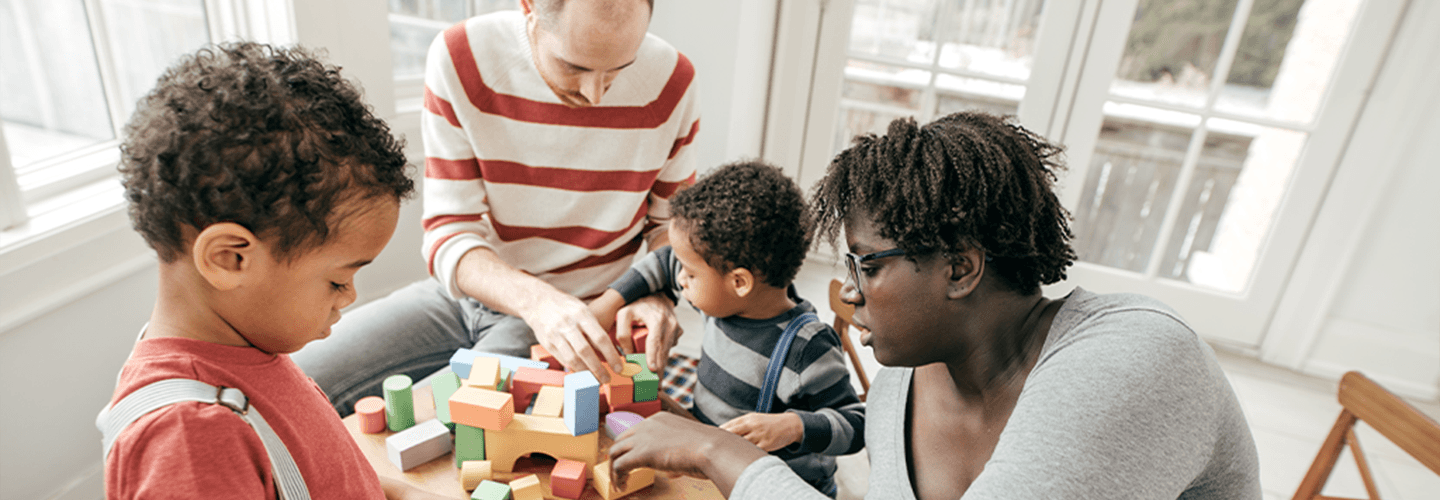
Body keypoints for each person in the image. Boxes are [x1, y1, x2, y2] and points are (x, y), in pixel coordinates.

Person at [608, 112, 1262, 499]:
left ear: (960, 267)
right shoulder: (899, 391)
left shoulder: (1132, 360)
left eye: (869, 264)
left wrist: (721, 455)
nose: (852, 294)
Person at [292, 0, 702, 416]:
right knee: (292, 386)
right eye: (573, 68)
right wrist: (541, 303)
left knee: (428, 431)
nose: (594, 94)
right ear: (529, 8)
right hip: (469, 296)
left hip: (587, 318)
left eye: (620, 68)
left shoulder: (673, 80)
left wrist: (656, 291)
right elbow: (449, 231)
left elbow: (669, 229)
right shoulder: (462, 58)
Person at [100, 42, 447, 499]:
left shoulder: (248, 348)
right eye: (337, 280)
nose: (348, 298)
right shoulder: (189, 441)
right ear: (230, 258)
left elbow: (322, 477)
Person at [589, 161, 865, 497]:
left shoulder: (807, 347)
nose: (679, 279)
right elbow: (664, 262)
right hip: (706, 455)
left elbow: (857, 424)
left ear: (739, 281)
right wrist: (607, 304)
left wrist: (794, 426)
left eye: (690, 275)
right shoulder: (723, 299)